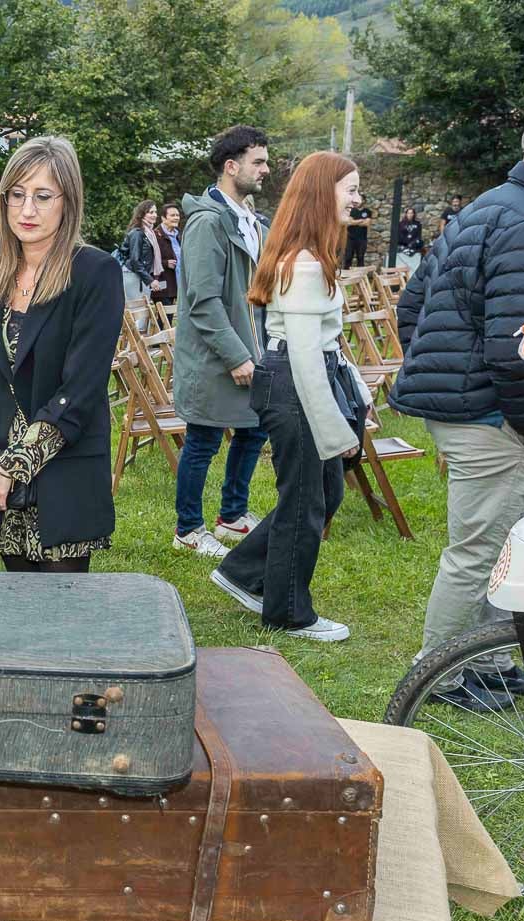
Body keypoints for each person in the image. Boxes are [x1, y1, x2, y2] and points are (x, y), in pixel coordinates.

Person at [390, 104, 524, 711]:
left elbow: (413, 308)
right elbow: (521, 349)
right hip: (497, 419)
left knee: (519, 542)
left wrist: (445, 380)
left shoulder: (484, 206)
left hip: (471, 411)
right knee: (477, 552)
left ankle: (491, 659)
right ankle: (440, 675)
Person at [210, 152, 369, 643]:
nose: (358, 198)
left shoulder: (312, 256)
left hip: (304, 379)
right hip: (295, 386)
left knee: (323, 494)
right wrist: (335, 429)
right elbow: (303, 358)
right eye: (351, 189)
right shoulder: (303, 264)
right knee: (305, 500)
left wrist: (356, 394)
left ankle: (243, 571)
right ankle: (289, 612)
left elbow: (322, 349)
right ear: (323, 194)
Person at [0, 135, 124, 573]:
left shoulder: (95, 273)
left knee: (62, 625)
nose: (27, 211)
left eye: (43, 196)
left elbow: (81, 391)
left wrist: (13, 468)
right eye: (17, 196)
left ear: (68, 201)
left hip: (63, 473)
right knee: (20, 621)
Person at [171, 125, 272, 557]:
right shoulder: (207, 223)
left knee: (254, 431)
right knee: (203, 442)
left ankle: (232, 515)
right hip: (215, 357)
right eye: (259, 162)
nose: (266, 169)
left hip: (255, 351)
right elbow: (203, 301)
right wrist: (235, 355)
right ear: (231, 167)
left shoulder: (252, 221)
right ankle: (188, 529)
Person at [119, 200, 165, 304]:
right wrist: (150, 280)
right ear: (142, 214)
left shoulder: (149, 233)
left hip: (141, 276)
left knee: (143, 313)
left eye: (155, 212)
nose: (154, 215)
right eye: (150, 212)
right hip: (133, 276)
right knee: (138, 314)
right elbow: (135, 260)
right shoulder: (137, 233)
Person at [154, 203, 182, 306]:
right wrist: (165, 263)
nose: (176, 218)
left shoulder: (178, 235)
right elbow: (148, 260)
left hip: (179, 284)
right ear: (163, 218)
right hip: (162, 284)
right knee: (165, 318)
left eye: (177, 215)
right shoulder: (155, 235)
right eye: (172, 215)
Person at [342, 196, 372, 269]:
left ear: (364, 201)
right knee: (348, 257)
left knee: (360, 257)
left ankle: (360, 278)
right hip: (350, 238)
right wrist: (361, 220)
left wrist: (354, 221)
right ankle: (346, 276)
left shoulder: (367, 211)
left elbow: (367, 223)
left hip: (362, 239)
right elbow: (349, 223)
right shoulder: (352, 211)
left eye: (360, 199)